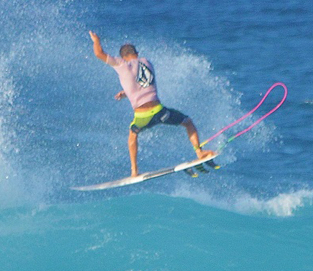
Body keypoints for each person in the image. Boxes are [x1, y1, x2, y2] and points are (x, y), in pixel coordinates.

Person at [89, 31, 217, 177]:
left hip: (142, 117)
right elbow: (142, 83)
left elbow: (98, 53)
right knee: (187, 122)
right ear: (136, 53)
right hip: (160, 112)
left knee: (132, 135)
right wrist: (125, 93)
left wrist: (96, 40)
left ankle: (134, 171)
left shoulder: (121, 64)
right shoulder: (147, 62)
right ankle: (199, 152)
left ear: (123, 57)